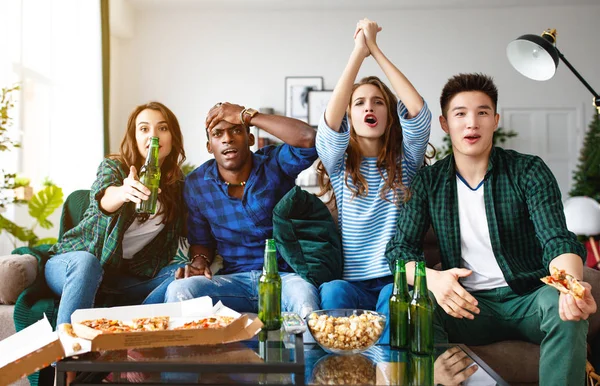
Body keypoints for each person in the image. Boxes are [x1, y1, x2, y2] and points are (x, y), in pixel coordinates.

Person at [385, 73, 597, 385]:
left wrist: (571, 288)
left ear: (495, 120)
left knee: (564, 307)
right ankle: (437, 376)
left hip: (528, 297)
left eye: (482, 112)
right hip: (468, 305)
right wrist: (434, 279)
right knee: (419, 302)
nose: (472, 123)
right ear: (445, 123)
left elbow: (557, 238)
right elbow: (400, 251)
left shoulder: (528, 170)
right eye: (460, 114)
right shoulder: (429, 182)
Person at [316, 18, 431, 340]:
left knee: (393, 305)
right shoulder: (338, 164)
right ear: (350, 116)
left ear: (389, 115)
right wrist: (357, 51)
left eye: (378, 102)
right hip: (349, 282)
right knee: (332, 293)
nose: (370, 107)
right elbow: (327, 125)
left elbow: (419, 114)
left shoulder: (406, 162)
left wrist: (375, 50)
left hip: (395, 277)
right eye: (360, 103)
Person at [164, 102, 320, 319]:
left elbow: (308, 139)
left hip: (285, 277)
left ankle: (310, 353)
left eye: (236, 130)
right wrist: (199, 261)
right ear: (209, 146)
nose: (227, 138)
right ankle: (182, 354)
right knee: (179, 290)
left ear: (250, 139)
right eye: (218, 134)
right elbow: (202, 241)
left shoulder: (274, 164)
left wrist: (246, 116)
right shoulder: (197, 184)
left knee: (306, 303)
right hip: (234, 281)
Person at [46, 101, 187, 327]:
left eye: (162, 128)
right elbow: (104, 199)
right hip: (72, 264)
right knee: (86, 262)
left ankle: (131, 332)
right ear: (134, 136)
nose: (154, 135)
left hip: (118, 279)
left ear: (173, 136)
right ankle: (66, 356)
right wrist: (123, 192)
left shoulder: (178, 186)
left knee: (181, 276)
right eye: (144, 129)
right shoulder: (114, 168)